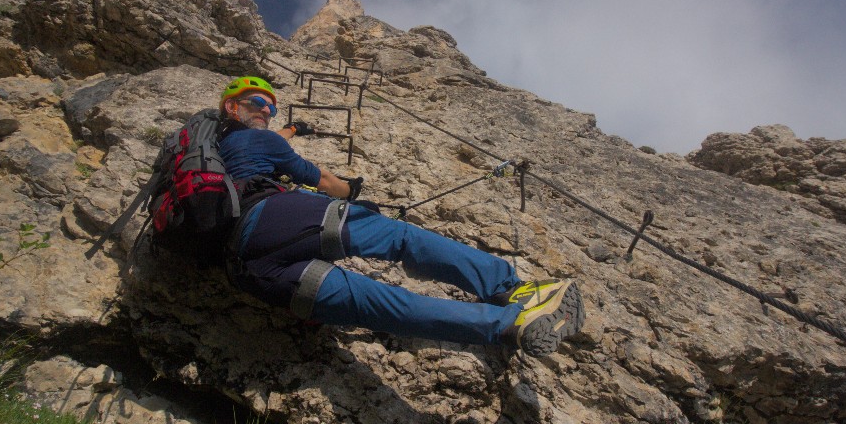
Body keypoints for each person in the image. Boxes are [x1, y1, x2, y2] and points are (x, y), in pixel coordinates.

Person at [215, 76, 585, 357]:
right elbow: (324, 180)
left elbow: (271, 138)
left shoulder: (221, 149)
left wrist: (293, 129)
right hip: (275, 216)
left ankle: (511, 326)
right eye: (258, 102)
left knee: (385, 307)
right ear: (232, 107)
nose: (266, 109)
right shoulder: (260, 141)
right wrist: (353, 193)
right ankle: (512, 288)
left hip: (246, 265)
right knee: (398, 238)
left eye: (272, 107)